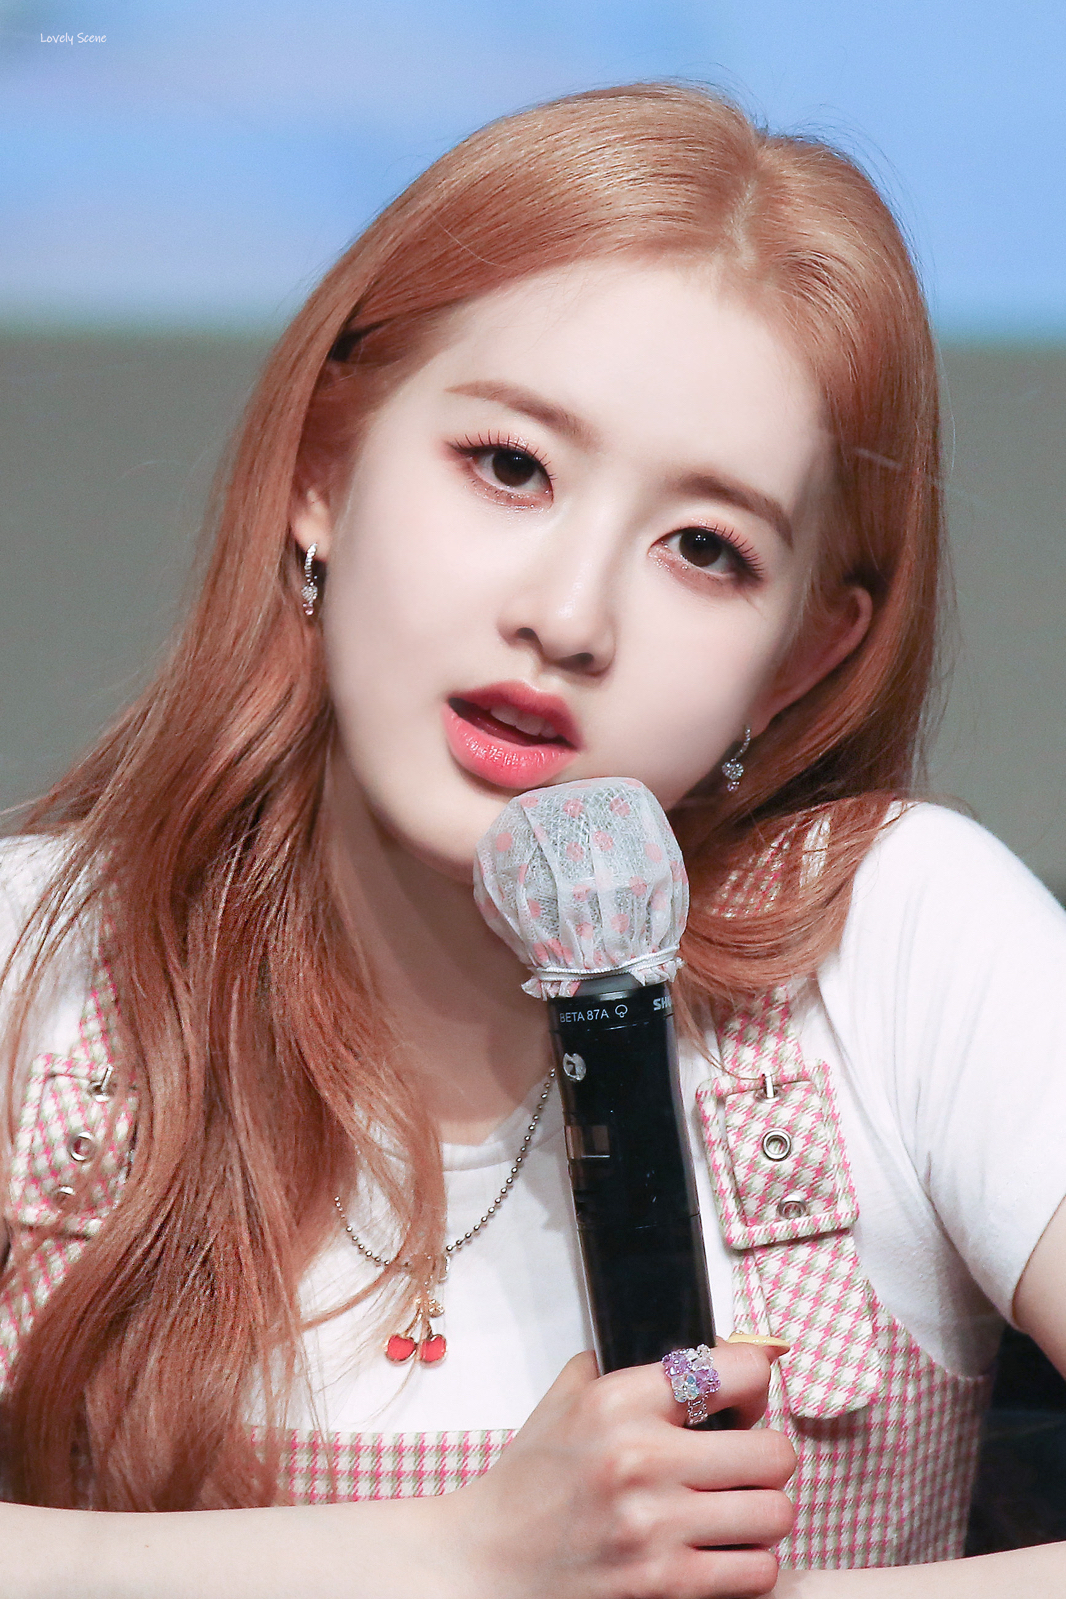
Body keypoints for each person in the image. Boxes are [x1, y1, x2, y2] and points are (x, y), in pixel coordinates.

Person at [1, 82, 1065, 1597]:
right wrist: (464, 1560)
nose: (567, 616)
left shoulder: (892, 944)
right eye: (511, 467)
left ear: (799, 659)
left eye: (704, 549)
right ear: (321, 472)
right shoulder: (38, 966)